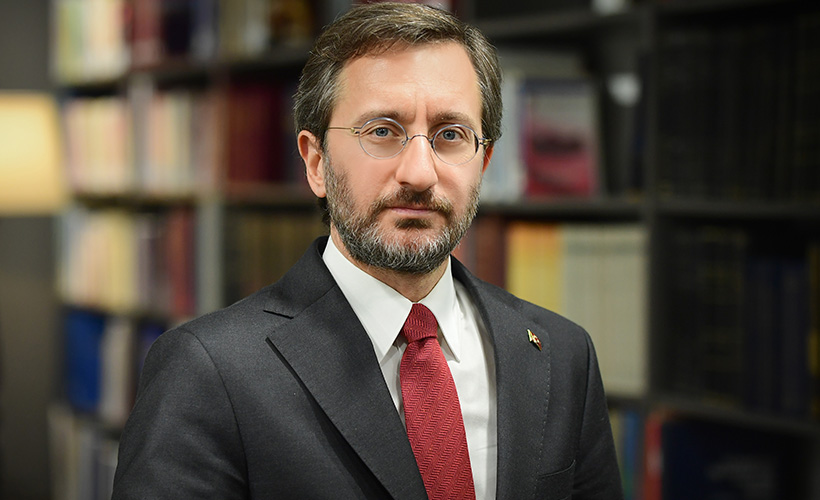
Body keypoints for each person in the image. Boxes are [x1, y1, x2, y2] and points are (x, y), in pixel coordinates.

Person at [112, 3, 622, 499]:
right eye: (382, 132)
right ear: (316, 163)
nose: (419, 173)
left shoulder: (562, 354)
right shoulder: (208, 371)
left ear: (483, 163)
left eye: (450, 135)